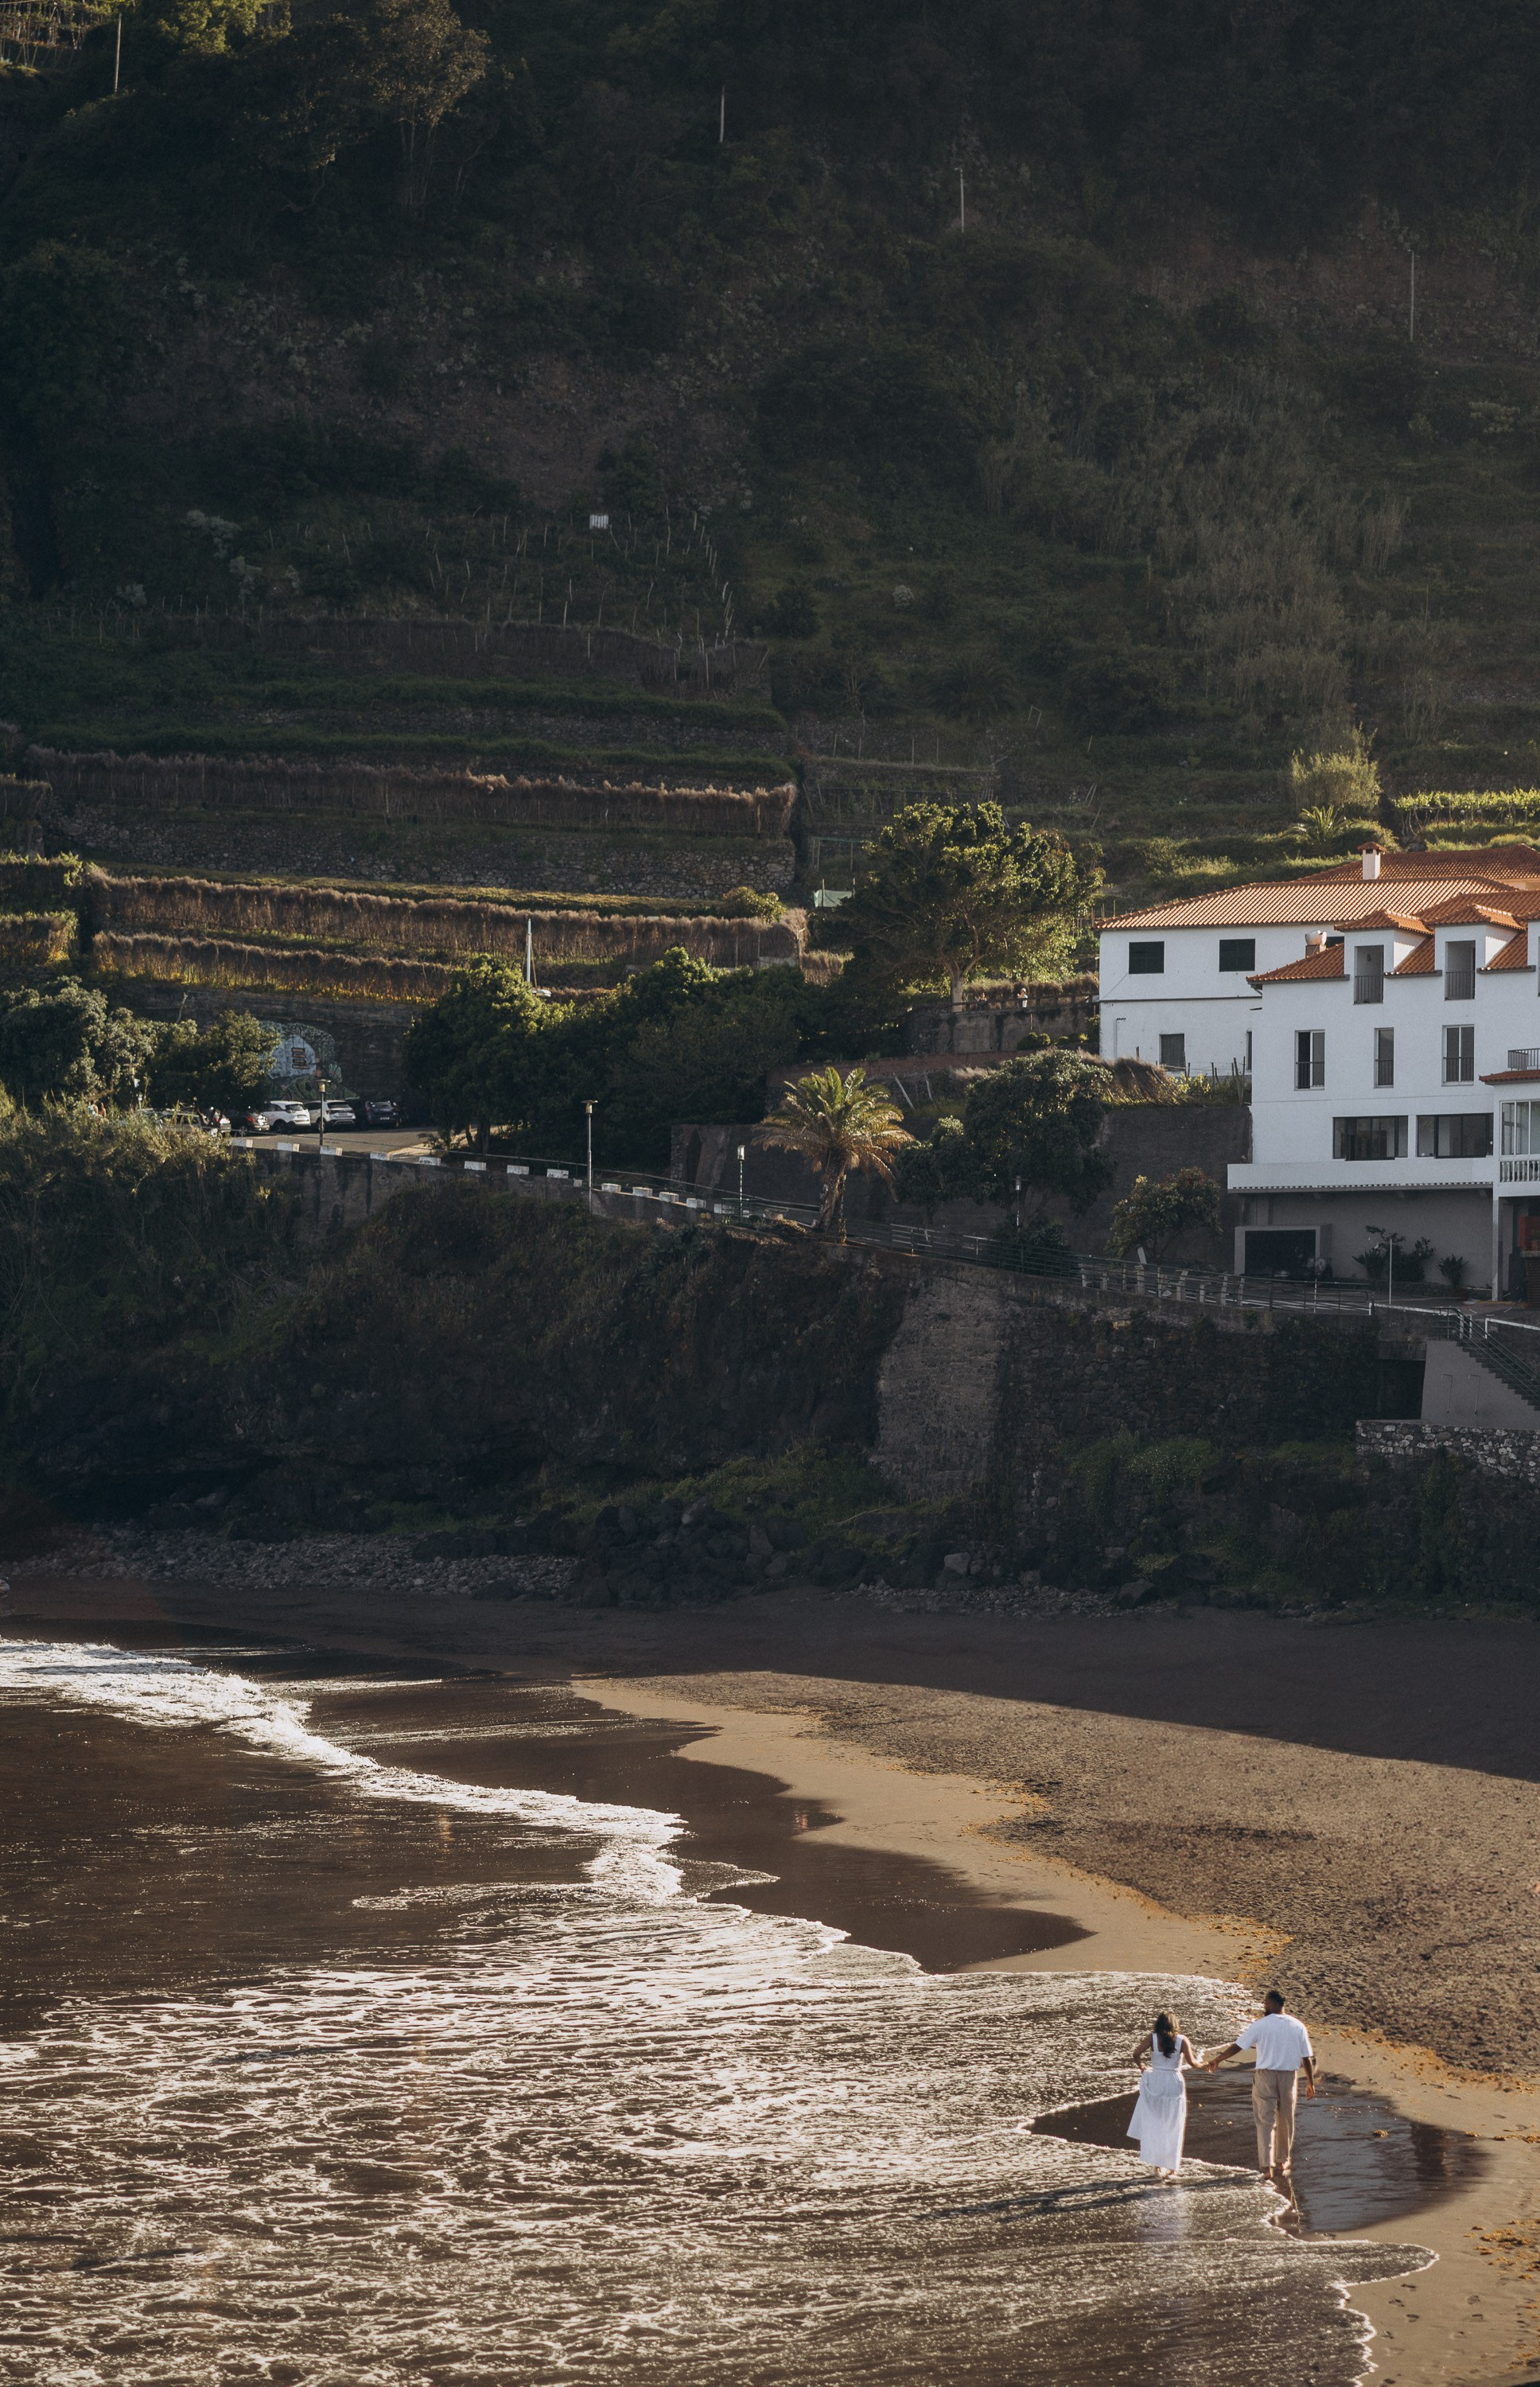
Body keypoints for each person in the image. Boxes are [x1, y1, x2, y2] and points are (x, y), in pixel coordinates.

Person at [1204, 1989, 1316, 2179]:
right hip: (1289, 2077)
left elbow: (1239, 2046)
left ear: (1272, 2004)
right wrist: (1310, 2083)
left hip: (1265, 2076)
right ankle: (1282, 2161)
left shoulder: (1261, 2025)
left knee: (1265, 2122)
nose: (1264, 2006)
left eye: (1265, 2003)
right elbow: (1306, 2057)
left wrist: (1218, 2060)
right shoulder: (1298, 2026)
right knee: (1286, 2120)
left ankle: (1267, 2167)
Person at [1127, 2010, 1200, 2180]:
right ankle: (1173, 2169)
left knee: (1157, 2122)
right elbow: (1193, 2063)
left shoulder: (1152, 2038)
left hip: (1156, 2081)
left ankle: (1157, 2166)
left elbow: (1136, 2054)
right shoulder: (1182, 2040)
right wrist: (1207, 2064)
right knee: (1174, 2124)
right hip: (1174, 2081)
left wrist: (1142, 2068)